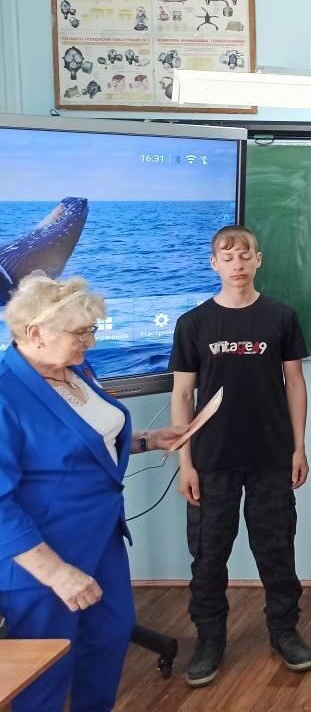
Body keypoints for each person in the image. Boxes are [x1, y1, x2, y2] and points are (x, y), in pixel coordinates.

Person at [0, 274, 184, 711]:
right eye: (80, 333)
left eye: (92, 330)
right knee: (45, 670)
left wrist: (146, 440)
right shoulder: (6, 394)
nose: (91, 342)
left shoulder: (76, 369)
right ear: (35, 333)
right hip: (43, 555)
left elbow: (86, 439)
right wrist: (57, 573)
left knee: (109, 637)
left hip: (102, 537)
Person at [171, 225, 311, 687]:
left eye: (244, 255)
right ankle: (210, 639)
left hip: (271, 454)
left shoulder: (280, 316)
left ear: (258, 260)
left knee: (277, 549)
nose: (237, 264)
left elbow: (295, 384)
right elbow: (183, 395)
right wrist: (185, 462)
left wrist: (299, 447)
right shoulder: (193, 323)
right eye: (227, 257)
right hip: (211, 459)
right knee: (208, 556)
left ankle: (284, 630)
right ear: (214, 263)